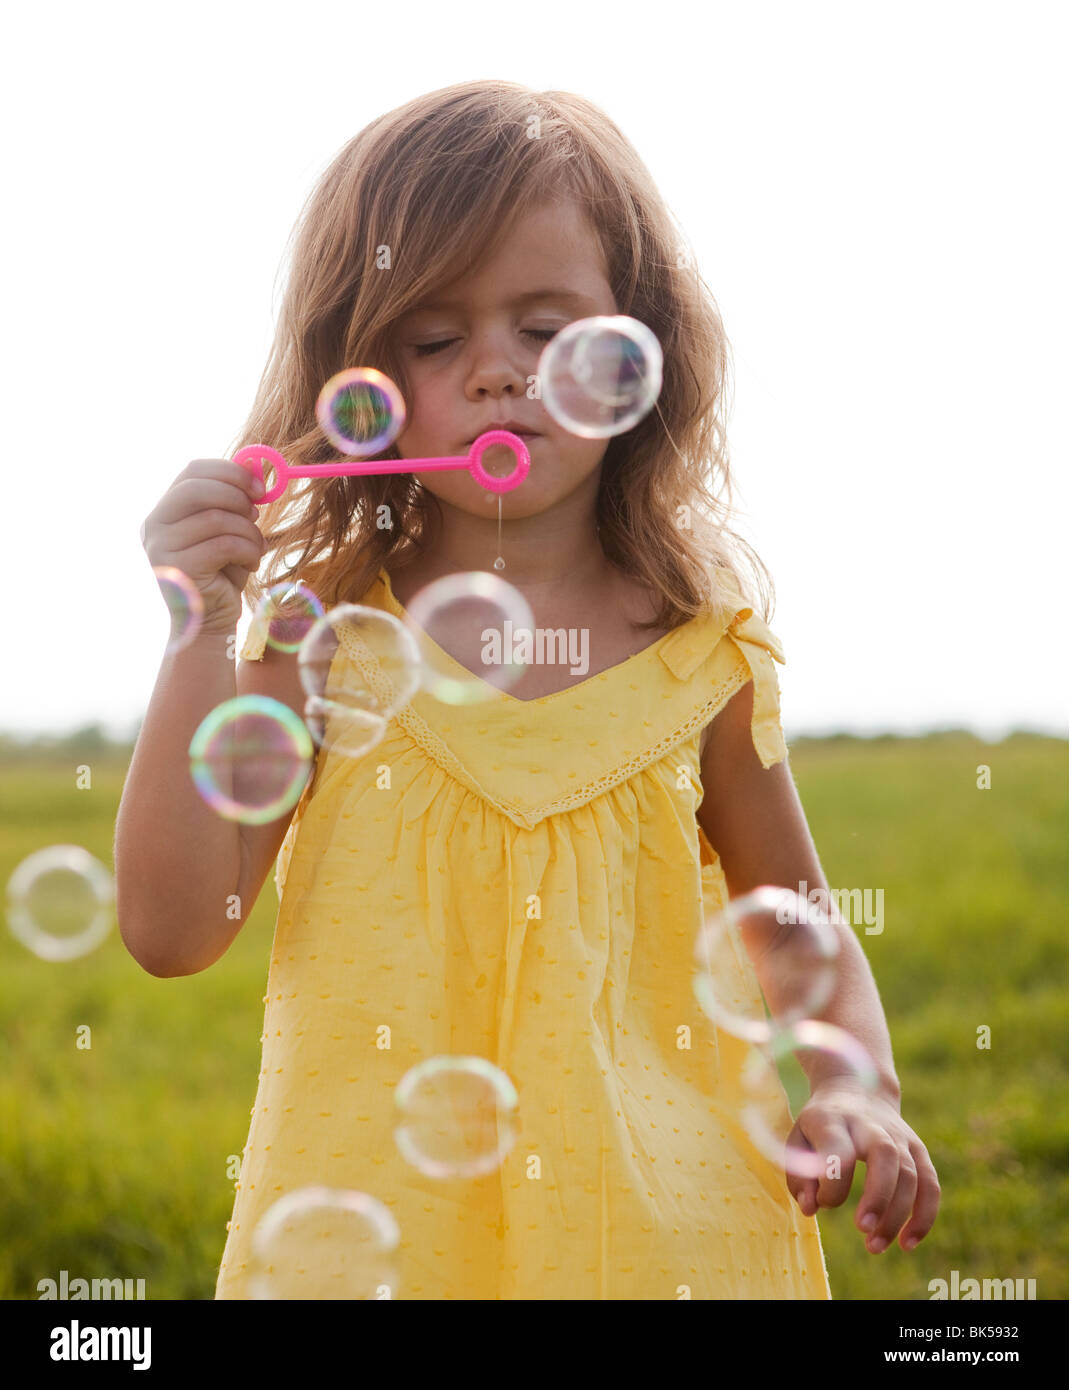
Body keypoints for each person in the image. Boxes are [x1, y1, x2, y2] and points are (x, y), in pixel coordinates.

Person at [116, 80, 939, 1300]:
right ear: (362, 377)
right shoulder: (318, 640)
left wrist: (858, 1086)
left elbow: (798, 926)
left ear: (636, 343)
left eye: (546, 331)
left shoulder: (701, 653)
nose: (497, 372)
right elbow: (175, 929)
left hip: (667, 1235)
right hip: (380, 1239)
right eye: (436, 340)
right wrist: (199, 629)